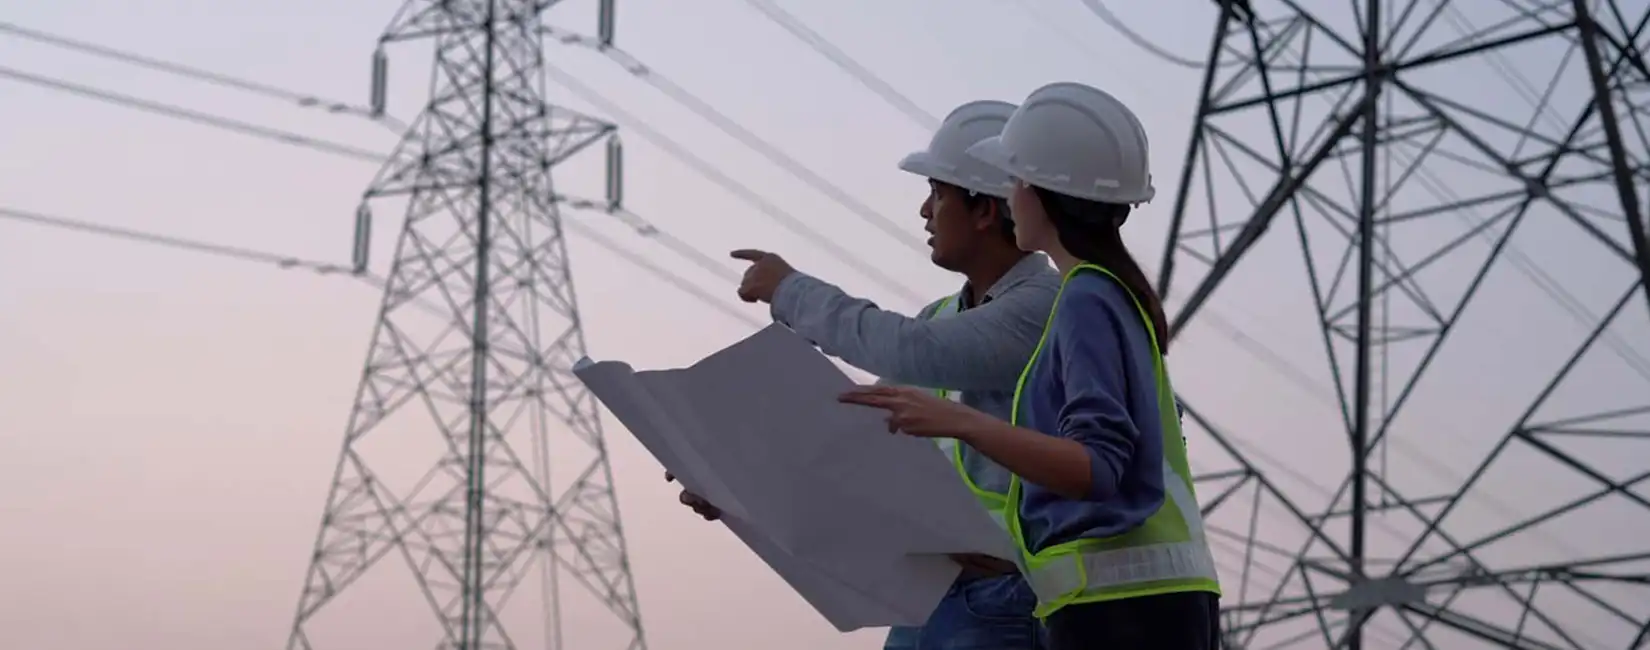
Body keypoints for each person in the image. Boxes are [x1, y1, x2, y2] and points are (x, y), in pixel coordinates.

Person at [839, 82, 1223, 650]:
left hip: (1119, 612)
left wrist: (960, 421)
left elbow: (1096, 466)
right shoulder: (1100, 293)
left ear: (1042, 194)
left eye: (1014, 180)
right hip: (1123, 606)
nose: (1008, 194)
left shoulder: (1086, 297)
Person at [672, 100, 1062, 650]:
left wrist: (790, 290)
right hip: (938, 598)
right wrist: (733, 481)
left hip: (1008, 599)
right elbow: (854, 440)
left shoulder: (1046, 306)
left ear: (985, 212)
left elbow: (907, 350)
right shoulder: (946, 318)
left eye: (938, 194)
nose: (926, 212)